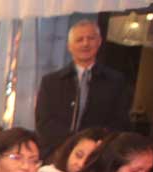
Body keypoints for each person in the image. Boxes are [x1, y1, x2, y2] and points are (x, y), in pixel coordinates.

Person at [35, 19, 133, 159]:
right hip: (56, 153)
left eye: (90, 38)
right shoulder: (51, 82)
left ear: (99, 42)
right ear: (69, 46)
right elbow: (44, 121)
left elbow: (120, 122)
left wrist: (93, 146)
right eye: (79, 39)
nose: (85, 44)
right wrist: (72, 146)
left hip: (97, 156)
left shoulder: (116, 81)